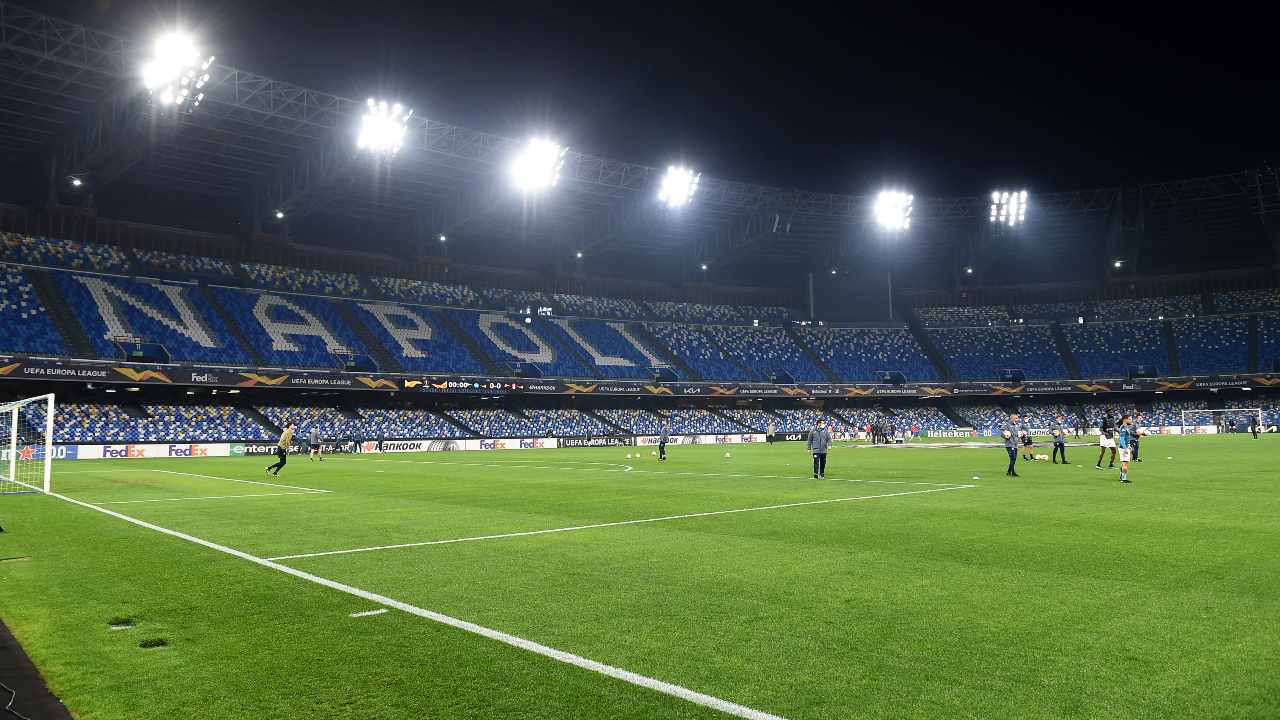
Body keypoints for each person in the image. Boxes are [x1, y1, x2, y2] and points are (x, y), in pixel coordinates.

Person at [1116, 415, 1135, 483]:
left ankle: (1122, 477)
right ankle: (1124, 479)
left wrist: (1129, 445)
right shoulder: (1123, 427)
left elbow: (1126, 438)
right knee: (1125, 464)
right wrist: (1125, 448)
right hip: (1124, 448)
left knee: (1124, 463)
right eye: (1129, 419)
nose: (1131, 420)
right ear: (1125, 420)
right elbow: (1121, 439)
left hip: (1126, 447)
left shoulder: (1126, 427)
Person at [1001, 413, 1021, 477]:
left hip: (1015, 444)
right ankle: (1013, 472)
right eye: (1016, 418)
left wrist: (1021, 436)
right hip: (1009, 445)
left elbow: (1017, 435)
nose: (1017, 419)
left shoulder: (1017, 425)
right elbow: (1002, 433)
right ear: (1012, 418)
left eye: (1017, 418)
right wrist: (1005, 435)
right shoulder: (1007, 425)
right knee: (1013, 458)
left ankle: (1009, 472)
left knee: (1014, 459)